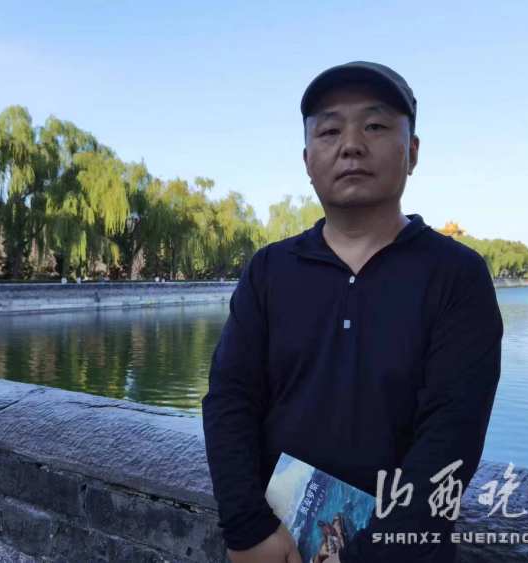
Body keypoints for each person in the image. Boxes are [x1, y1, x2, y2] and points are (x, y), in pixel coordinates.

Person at [201, 61, 504, 563]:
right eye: (329, 131)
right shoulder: (269, 270)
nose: (351, 145)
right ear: (307, 159)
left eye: (376, 125)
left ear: (412, 151)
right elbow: (229, 400)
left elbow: (452, 433)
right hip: (274, 545)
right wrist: (247, 528)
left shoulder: (457, 274)